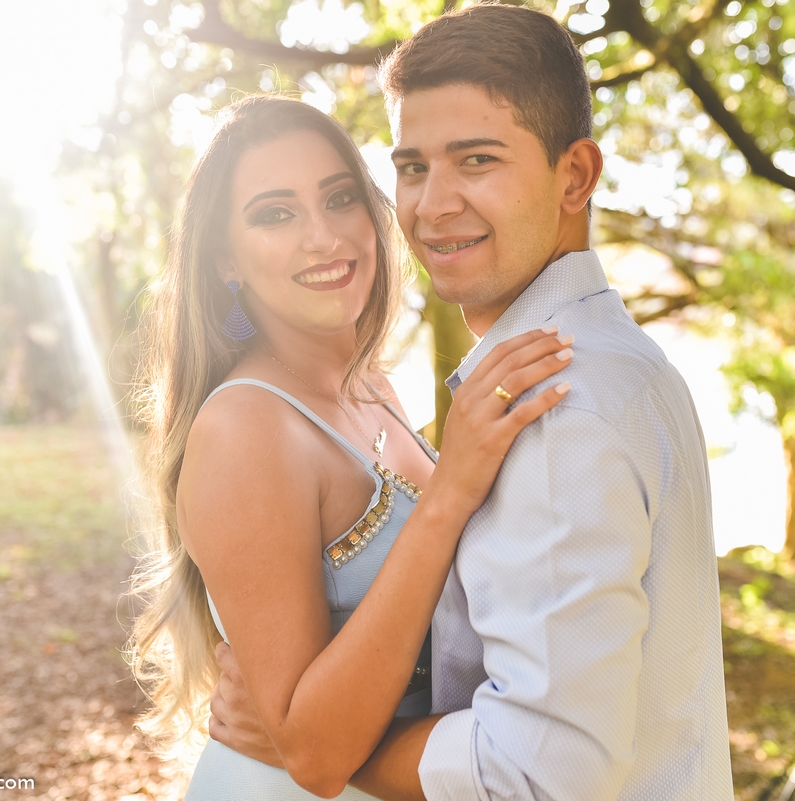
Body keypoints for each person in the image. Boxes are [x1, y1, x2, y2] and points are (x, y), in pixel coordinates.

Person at [209, 5, 734, 800]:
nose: (432, 205)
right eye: (412, 167)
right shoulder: (629, 366)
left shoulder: (554, 407)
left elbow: (534, 772)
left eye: (477, 160)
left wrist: (330, 748)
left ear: (575, 176)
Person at [128, 94, 575, 801]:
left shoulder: (372, 387)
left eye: (340, 199)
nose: (323, 236)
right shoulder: (246, 428)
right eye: (275, 214)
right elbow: (315, 754)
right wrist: (451, 490)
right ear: (225, 263)